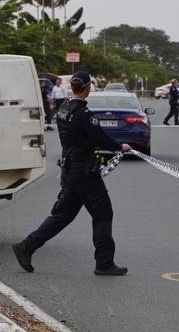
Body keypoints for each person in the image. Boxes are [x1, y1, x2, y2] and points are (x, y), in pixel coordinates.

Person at [12, 71, 131, 276]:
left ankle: (26, 246)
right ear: (87, 88)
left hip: (69, 169)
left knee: (61, 216)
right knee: (103, 214)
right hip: (84, 171)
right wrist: (120, 147)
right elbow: (99, 137)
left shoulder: (63, 109)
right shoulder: (84, 114)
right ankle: (104, 263)